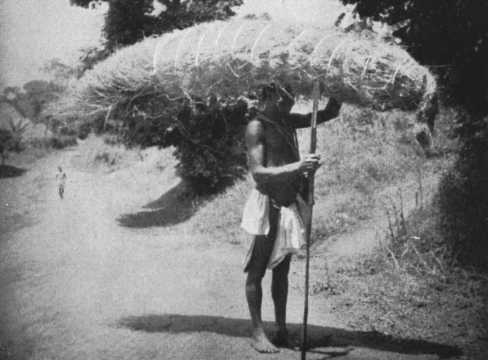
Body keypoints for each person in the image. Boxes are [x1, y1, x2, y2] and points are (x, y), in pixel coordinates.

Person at [241, 83, 341, 353]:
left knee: (282, 272)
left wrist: (339, 85)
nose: (293, 98)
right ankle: (257, 331)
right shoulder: (257, 127)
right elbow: (259, 173)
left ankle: (282, 330)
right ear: (272, 95)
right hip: (267, 205)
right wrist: (300, 166)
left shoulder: (287, 121)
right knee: (257, 270)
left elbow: (329, 112)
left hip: (287, 204)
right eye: (287, 94)